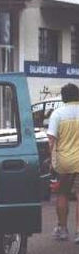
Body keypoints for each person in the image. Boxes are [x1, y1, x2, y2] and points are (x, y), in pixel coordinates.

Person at [47, 83, 79, 242]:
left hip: (64, 161)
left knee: (62, 194)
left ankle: (63, 229)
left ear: (63, 97)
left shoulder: (57, 114)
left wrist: (50, 161)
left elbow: (51, 140)